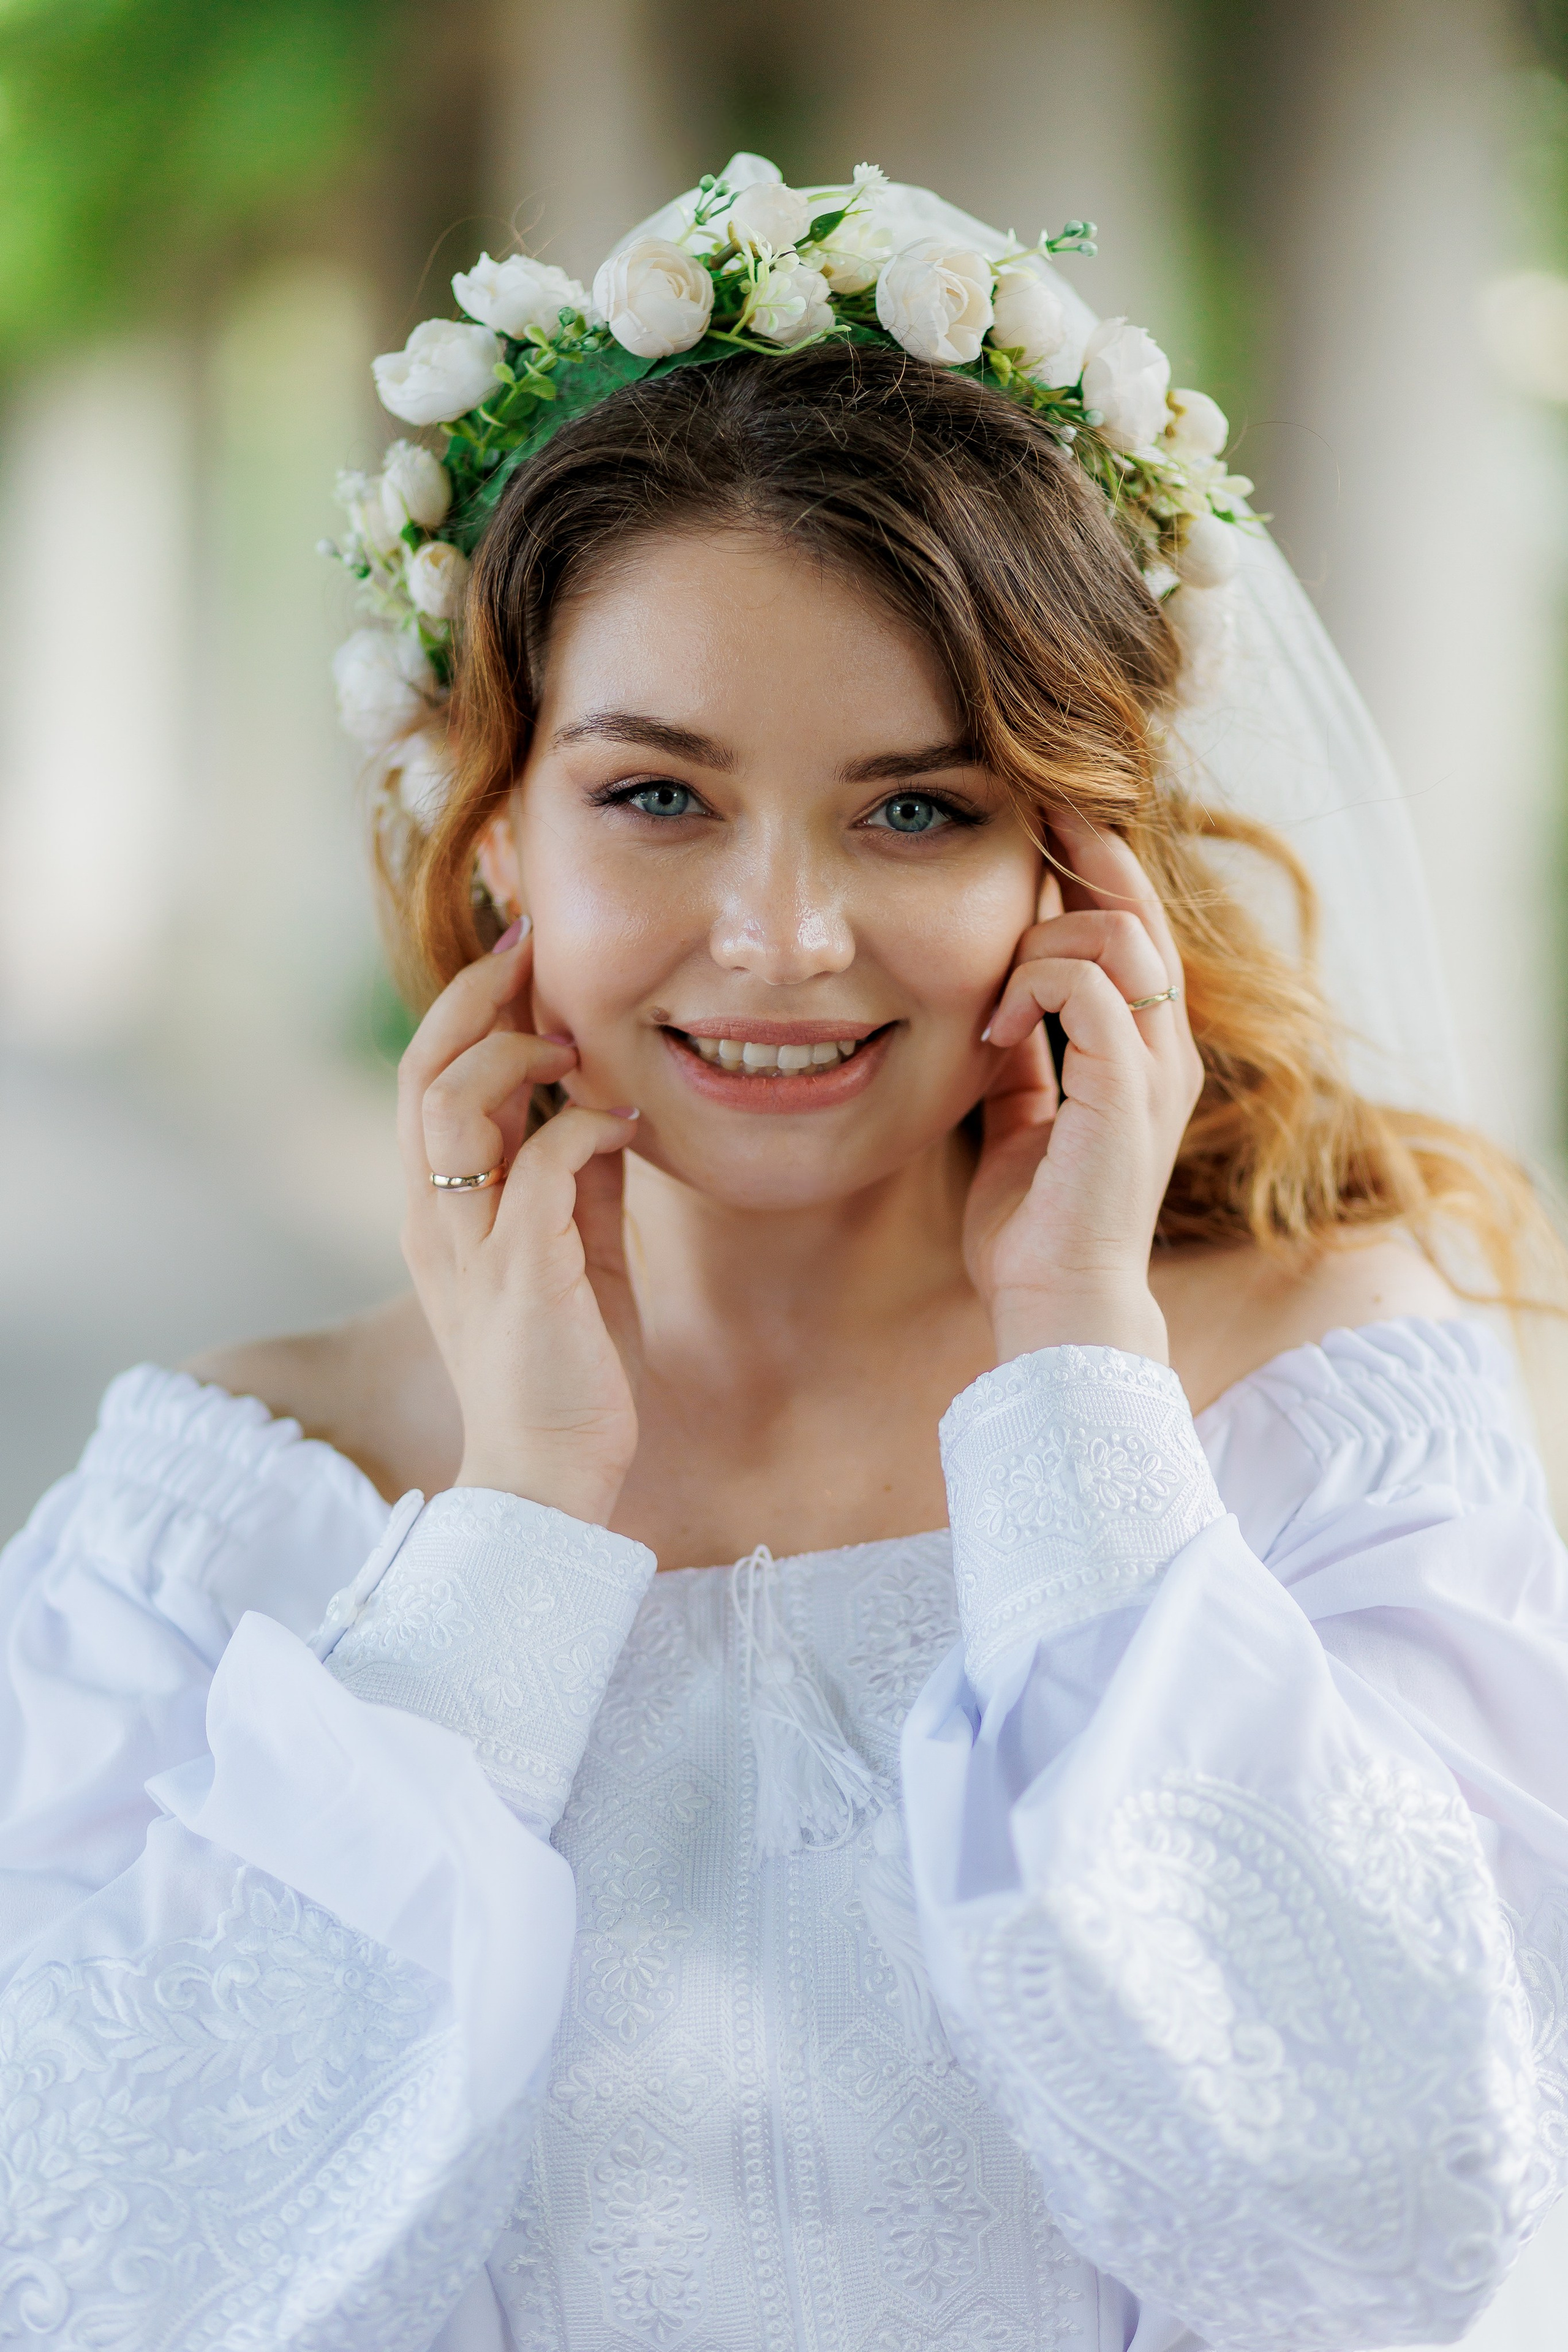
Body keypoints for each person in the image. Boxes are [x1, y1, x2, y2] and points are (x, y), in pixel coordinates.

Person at [2, 159, 1566, 2352]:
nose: (782, 937)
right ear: (493, 824)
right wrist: (514, 1526)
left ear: (1076, 869)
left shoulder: (1310, 1412)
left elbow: (1402, 2229)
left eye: (918, 809)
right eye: (658, 796)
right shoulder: (227, 1508)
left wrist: (1080, 1389)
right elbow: (93, 2278)